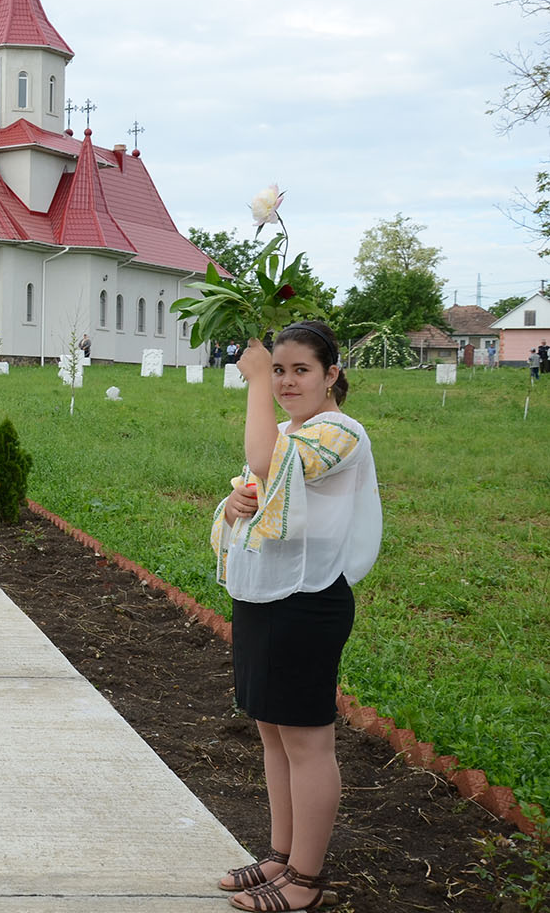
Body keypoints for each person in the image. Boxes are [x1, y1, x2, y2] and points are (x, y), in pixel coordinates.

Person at [212, 321, 381, 912]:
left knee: (308, 743)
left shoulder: (341, 432)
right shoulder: (288, 430)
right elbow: (258, 483)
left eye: (299, 370)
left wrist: (254, 379)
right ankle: (281, 858)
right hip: (266, 595)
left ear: (331, 374)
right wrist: (234, 504)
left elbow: (265, 460)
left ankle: (306, 881)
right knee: (274, 735)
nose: (285, 381)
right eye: (278, 370)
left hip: (309, 600)